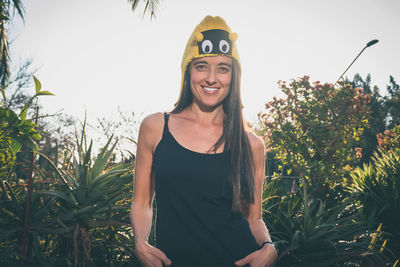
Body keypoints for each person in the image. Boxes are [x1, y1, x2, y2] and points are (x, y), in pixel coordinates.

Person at [130, 15, 278, 267]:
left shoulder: (251, 145)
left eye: (223, 68)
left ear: (234, 76)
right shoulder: (155, 127)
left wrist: (269, 248)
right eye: (201, 66)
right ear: (188, 71)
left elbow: (254, 218)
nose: (211, 78)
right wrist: (141, 243)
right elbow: (142, 201)